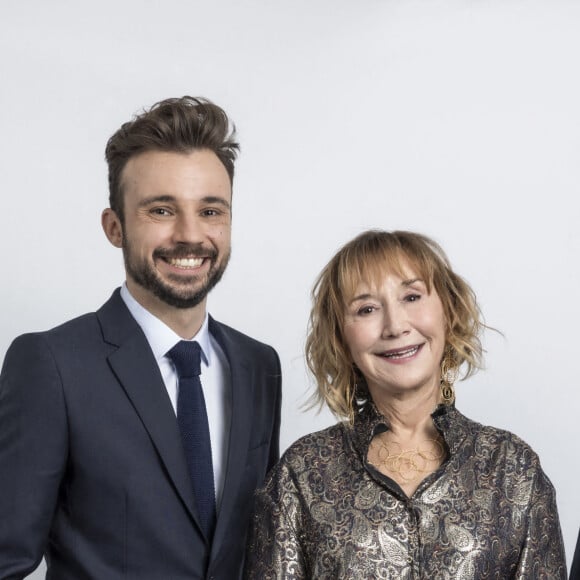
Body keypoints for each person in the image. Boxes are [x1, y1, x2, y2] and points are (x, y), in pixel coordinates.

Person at [0, 96, 281, 580]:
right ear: (115, 227)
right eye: (162, 210)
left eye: (211, 211)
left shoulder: (260, 366)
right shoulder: (51, 365)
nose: (191, 235)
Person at [244, 229, 565, 579]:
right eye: (366, 309)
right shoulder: (301, 474)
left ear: (448, 312)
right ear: (341, 338)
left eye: (411, 297)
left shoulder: (513, 469)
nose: (395, 326)